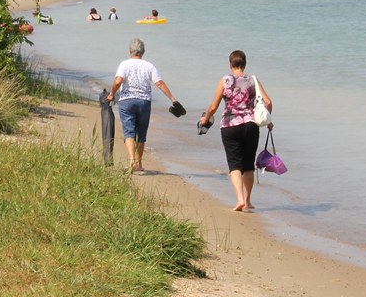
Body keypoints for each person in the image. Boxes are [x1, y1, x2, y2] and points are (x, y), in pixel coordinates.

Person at [197, 50, 273, 211]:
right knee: (248, 166)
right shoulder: (253, 80)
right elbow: (268, 102)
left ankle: (239, 199)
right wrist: (269, 121)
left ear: (230, 64)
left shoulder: (225, 80)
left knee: (234, 165)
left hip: (230, 126)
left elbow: (213, 106)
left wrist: (205, 118)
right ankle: (248, 201)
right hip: (250, 126)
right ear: (245, 64)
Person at [106, 38, 179, 174]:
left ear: (130, 51)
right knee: (141, 134)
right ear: (143, 52)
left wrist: (112, 93)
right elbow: (159, 83)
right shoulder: (149, 66)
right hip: (144, 102)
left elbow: (118, 81)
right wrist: (172, 98)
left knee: (129, 133)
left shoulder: (124, 64)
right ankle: (138, 164)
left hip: (127, 101)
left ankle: (131, 161)